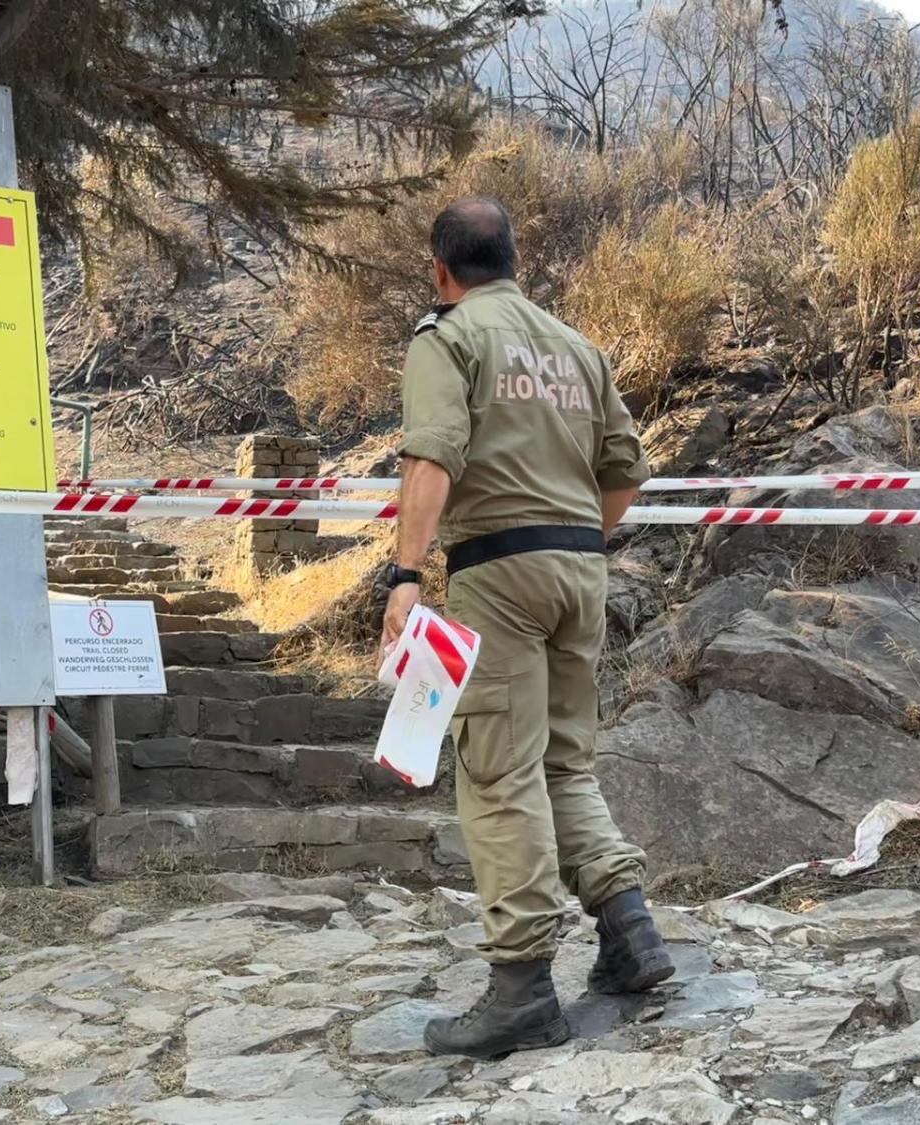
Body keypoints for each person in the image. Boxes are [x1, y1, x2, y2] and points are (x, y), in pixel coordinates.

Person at [382, 196, 673, 1060]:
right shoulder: (576, 347)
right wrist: (572, 539)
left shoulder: (449, 339)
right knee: (564, 762)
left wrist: (404, 574)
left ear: (442, 271)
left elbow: (430, 455)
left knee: (499, 773)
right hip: (582, 567)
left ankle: (521, 990)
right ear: (514, 261)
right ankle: (630, 933)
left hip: (499, 574)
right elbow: (625, 470)